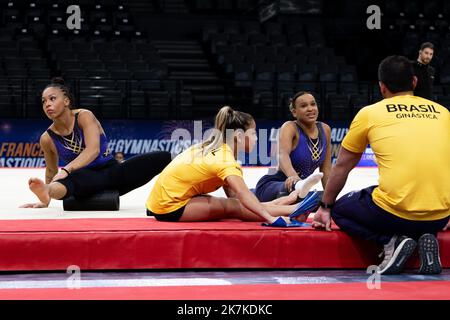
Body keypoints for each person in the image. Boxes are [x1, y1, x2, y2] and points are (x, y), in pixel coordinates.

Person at [312, 56, 450, 275]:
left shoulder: (370, 113)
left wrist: (325, 207)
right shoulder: (444, 113)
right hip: (440, 216)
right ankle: (425, 237)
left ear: (382, 87)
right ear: (414, 82)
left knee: (341, 210)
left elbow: (342, 167)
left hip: (394, 215)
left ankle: (391, 241)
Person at [21, 78, 172, 208]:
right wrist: (46, 195)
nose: (47, 104)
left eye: (52, 98)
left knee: (162, 157)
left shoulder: (84, 116)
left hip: (113, 174)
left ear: (66, 101)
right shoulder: (47, 138)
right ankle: (49, 191)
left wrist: (66, 169)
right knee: (73, 181)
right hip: (83, 181)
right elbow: (51, 171)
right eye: (44, 101)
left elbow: (93, 150)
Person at [146, 106, 312, 224]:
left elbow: (239, 200)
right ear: (239, 136)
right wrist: (271, 218)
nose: (256, 138)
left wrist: (283, 201)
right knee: (231, 207)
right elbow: (241, 200)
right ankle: (297, 209)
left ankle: (292, 205)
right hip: (169, 208)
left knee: (234, 205)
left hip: (162, 202)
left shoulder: (214, 147)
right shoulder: (225, 161)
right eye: (253, 133)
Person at [254, 91, 331, 202]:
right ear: (294, 112)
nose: (310, 109)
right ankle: (299, 191)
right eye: (304, 106)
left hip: (300, 191)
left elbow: (326, 168)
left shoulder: (325, 129)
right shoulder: (290, 127)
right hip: (275, 185)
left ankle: (301, 194)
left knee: (324, 199)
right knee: (290, 193)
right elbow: (282, 154)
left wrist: (329, 199)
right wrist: (293, 177)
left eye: (313, 104)